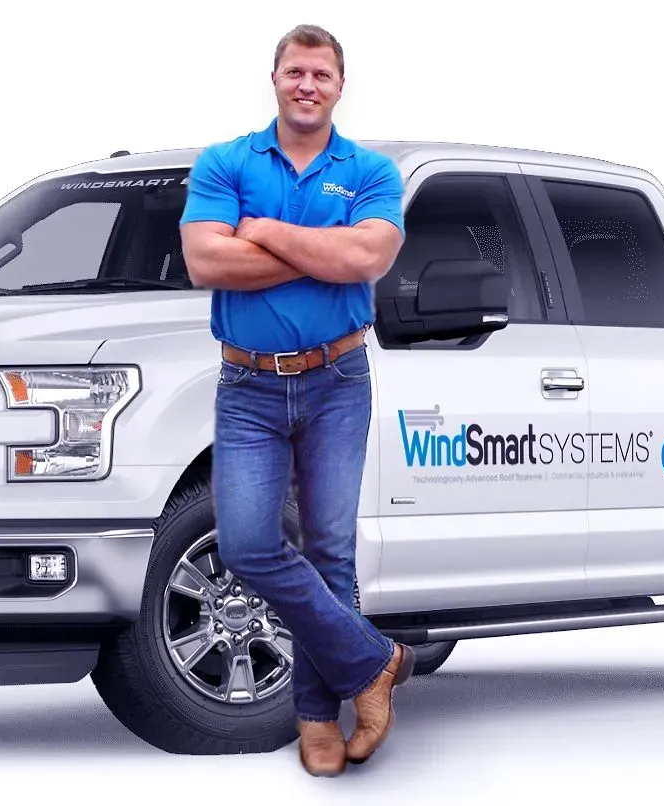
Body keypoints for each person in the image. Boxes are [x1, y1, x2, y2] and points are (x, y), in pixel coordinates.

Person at [178, 24, 414, 777]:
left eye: (321, 73)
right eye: (295, 71)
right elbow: (204, 261)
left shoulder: (372, 170)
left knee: (330, 552)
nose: (307, 84)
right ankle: (373, 661)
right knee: (247, 545)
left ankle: (318, 721)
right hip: (246, 383)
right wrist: (324, 252)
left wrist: (269, 232)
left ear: (339, 85)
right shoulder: (225, 161)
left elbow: (367, 256)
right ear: (274, 78)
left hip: (338, 379)